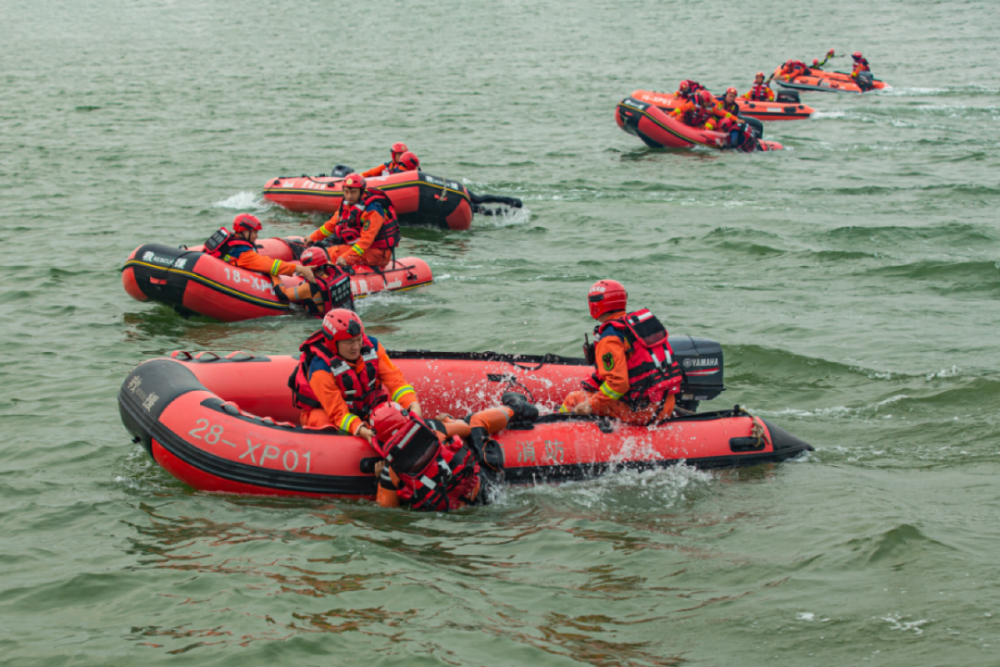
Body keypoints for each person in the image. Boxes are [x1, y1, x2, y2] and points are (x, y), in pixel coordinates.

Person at [369, 397, 534, 511]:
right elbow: (465, 428)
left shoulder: (390, 471)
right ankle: (517, 408)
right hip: (485, 491)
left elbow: (386, 509)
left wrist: (379, 478)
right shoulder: (432, 428)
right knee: (475, 421)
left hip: (448, 513)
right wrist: (447, 419)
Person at [559, 280, 683, 426]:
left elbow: (619, 384)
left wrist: (591, 404)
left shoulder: (610, 337)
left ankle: (557, 432)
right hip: (665, 405)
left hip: (643, 411)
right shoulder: (635, 327)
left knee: (573, 399)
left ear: (594, 305)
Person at [290, 309, 421, 439]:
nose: (356, 346)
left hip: (365, 406)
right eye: (349, 342)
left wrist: (412, 404)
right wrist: (360, 429)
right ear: (332, 342)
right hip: (331, 412)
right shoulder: (320, 369)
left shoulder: (373, 347)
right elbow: (338, 413)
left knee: (389, 412)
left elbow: (395, 381)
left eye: (358, 339)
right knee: (322, 420)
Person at [306, 173, 400, 269]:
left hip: (377, 253)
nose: (349, 195)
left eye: (353, 192)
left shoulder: (373, 209)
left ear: (361, 191)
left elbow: (366, 240)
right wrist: (313, 237)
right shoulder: (346, 205)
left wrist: (347, 257)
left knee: (331, 253)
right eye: (346, 192)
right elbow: (331, 224)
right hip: (359, 248)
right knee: (323, 249)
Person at [204, 214, 315, 283]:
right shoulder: (244, 253)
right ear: (245, 232)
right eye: (255, 232)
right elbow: (270, 265)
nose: (257, 236)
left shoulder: (228, 242)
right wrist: (299, 269)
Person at [271, 247, 353, 317]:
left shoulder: (310, 287)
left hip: (318, 319)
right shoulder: (337, 272)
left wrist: (273, 273)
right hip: (344, 314)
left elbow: (283, 295)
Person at [670, 90, 738, 132]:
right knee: (679, 117)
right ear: (702, 100)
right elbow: (681, 109)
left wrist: (735, 119)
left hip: (698, 124)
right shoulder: (693, 104)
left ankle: (705, 135)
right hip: (687, 120)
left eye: (709, 102)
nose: (708, 104)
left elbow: (723, 113)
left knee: (712, 122)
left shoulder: (711, 106)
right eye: (707, 102)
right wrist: (671, 114)